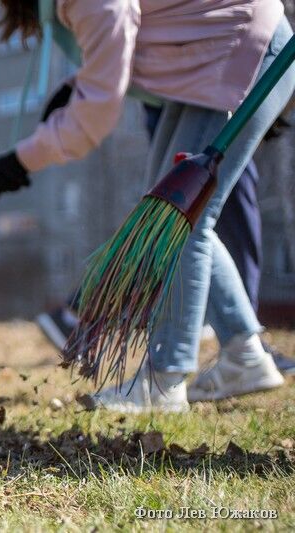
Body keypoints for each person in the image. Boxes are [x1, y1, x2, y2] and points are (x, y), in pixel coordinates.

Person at [0, 0, 295, 412]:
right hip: (208, 58)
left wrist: (22, 159)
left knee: (178, 218)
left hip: (242, 48)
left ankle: (164, 378)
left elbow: (95, 115)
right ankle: (243, 354)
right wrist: (77, 87)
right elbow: (139, 35)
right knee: (166, 210)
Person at [36, 104, 295, 377]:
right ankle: (177, 364)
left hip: (188, 94)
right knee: (184, 212)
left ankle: (239, 347)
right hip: (201, 95)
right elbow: (103, 93)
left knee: (178, 212)